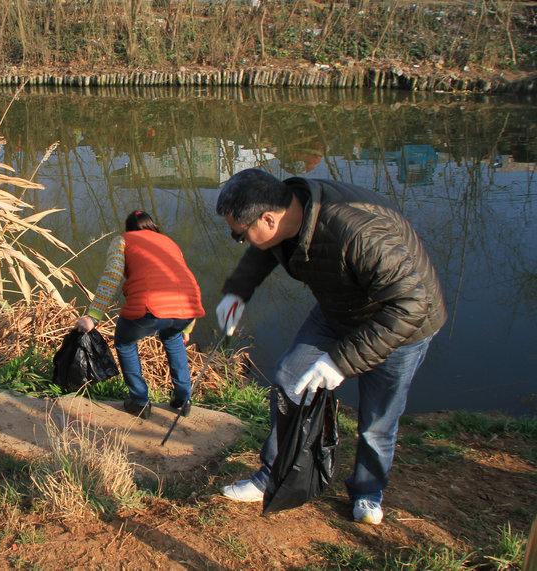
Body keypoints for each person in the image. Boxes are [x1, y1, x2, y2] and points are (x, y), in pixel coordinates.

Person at [213, 168, 446, 525]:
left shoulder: (358, 234)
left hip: (401, 323)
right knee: (289, 380)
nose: (239, 239)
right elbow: (265, 249)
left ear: (268, 218)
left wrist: (340, 362)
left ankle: (368, 493)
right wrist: (238, 291)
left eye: (239, 234)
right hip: (339, 307)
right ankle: (271, 475)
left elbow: (410, 305)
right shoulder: (286, 214)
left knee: (377, 419)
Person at [75, 210, 205, 419]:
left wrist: (93, 316)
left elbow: (112, 276)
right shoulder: (170, 243)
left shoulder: (123, 240)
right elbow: (187, 279)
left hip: (151, 304)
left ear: (129, 228)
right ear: (152, 226)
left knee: (125, 342)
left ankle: (139, 401)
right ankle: (183, 398)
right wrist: (188, 327)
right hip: (188, 306)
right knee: (173, 338)